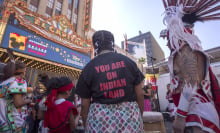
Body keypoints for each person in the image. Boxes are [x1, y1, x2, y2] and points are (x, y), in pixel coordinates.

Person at [161, 0, 220, 133]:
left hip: (198, 116)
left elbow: (191, 84)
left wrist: (180, 117)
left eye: (168, 34)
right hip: (197, 113)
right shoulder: (189, 48)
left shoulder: (186, 49)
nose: (166, 42)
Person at [76, 30, 145, 132]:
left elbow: (84, 105)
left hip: (99, 122)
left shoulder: (88, 68)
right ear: (112, 44)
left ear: (95, 46)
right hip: (130, 120)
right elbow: (140, 94)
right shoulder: (129, 62)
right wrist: (139, 117)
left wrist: (87, 125)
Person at [0, 60, 32, 132]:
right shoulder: (19, 81)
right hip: (14, 124)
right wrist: (28, 100)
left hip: (3, 123)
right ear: (23, 71)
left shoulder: (4, 83)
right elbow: (18, 103)